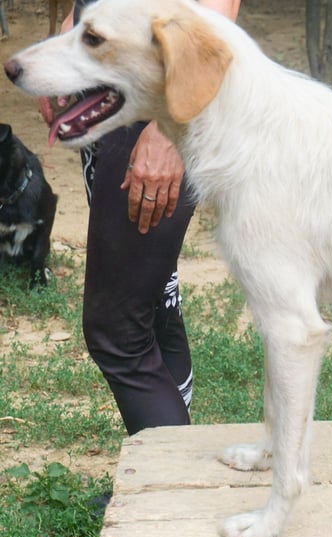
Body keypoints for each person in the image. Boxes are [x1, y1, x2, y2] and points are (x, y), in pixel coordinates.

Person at [37, 0, 241, 435]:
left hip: (157, 110)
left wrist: (169, 130)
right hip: (109, 93)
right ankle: (164, 471)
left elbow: (214, 17)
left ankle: (170, 485)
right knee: (153, 301)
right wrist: (65, 49)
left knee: (117, 331)